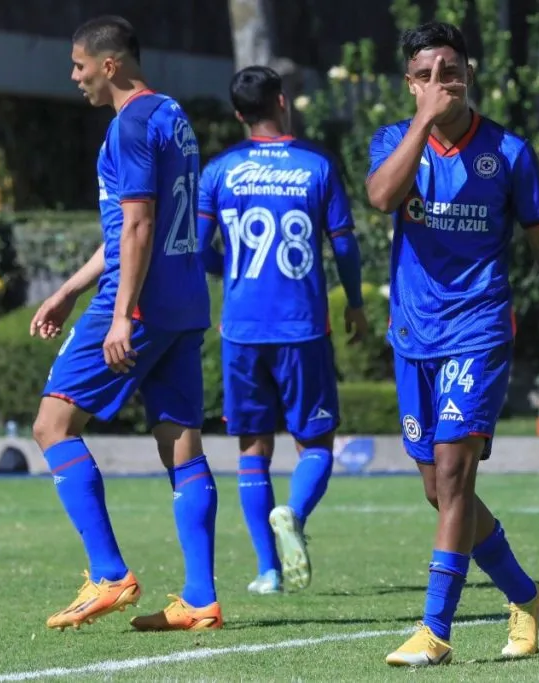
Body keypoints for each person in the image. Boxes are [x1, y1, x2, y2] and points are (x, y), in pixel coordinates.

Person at [365, 21, 539, 667]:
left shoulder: (508, 152)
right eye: (428, 73)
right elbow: (382, 196)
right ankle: (526, 595)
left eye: (453, 69)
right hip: (413, 335)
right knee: (440, 489)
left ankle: (435, 629)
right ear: (410, 84)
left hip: (479, 329)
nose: (444, 82)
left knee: (457, 473)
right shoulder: (393, 142)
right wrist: (421, 123)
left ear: (470, 74)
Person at [31, 16, 220, 631]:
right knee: (179, 438)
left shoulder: (130, 124)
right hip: (186, 302)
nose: (75, 76)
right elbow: (127, 229)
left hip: (140, 303)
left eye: (79, 65)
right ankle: (199, 598)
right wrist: (66, 291)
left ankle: (109, 573)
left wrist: (119, 316)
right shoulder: (172, 115)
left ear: (109, 65)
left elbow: (138, 227)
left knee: (53, 422)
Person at [197, 66, 368, 595]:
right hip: (301, 326)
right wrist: (356, 303)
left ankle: (268, 571)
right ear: (282, 102)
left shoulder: (219, 171)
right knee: (315, 442)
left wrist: (236, 273)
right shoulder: (316, 165)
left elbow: (199, 249)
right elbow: (343, 244)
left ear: (238, 114)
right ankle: (293, 512)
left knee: (253, 449)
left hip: (242, 328)